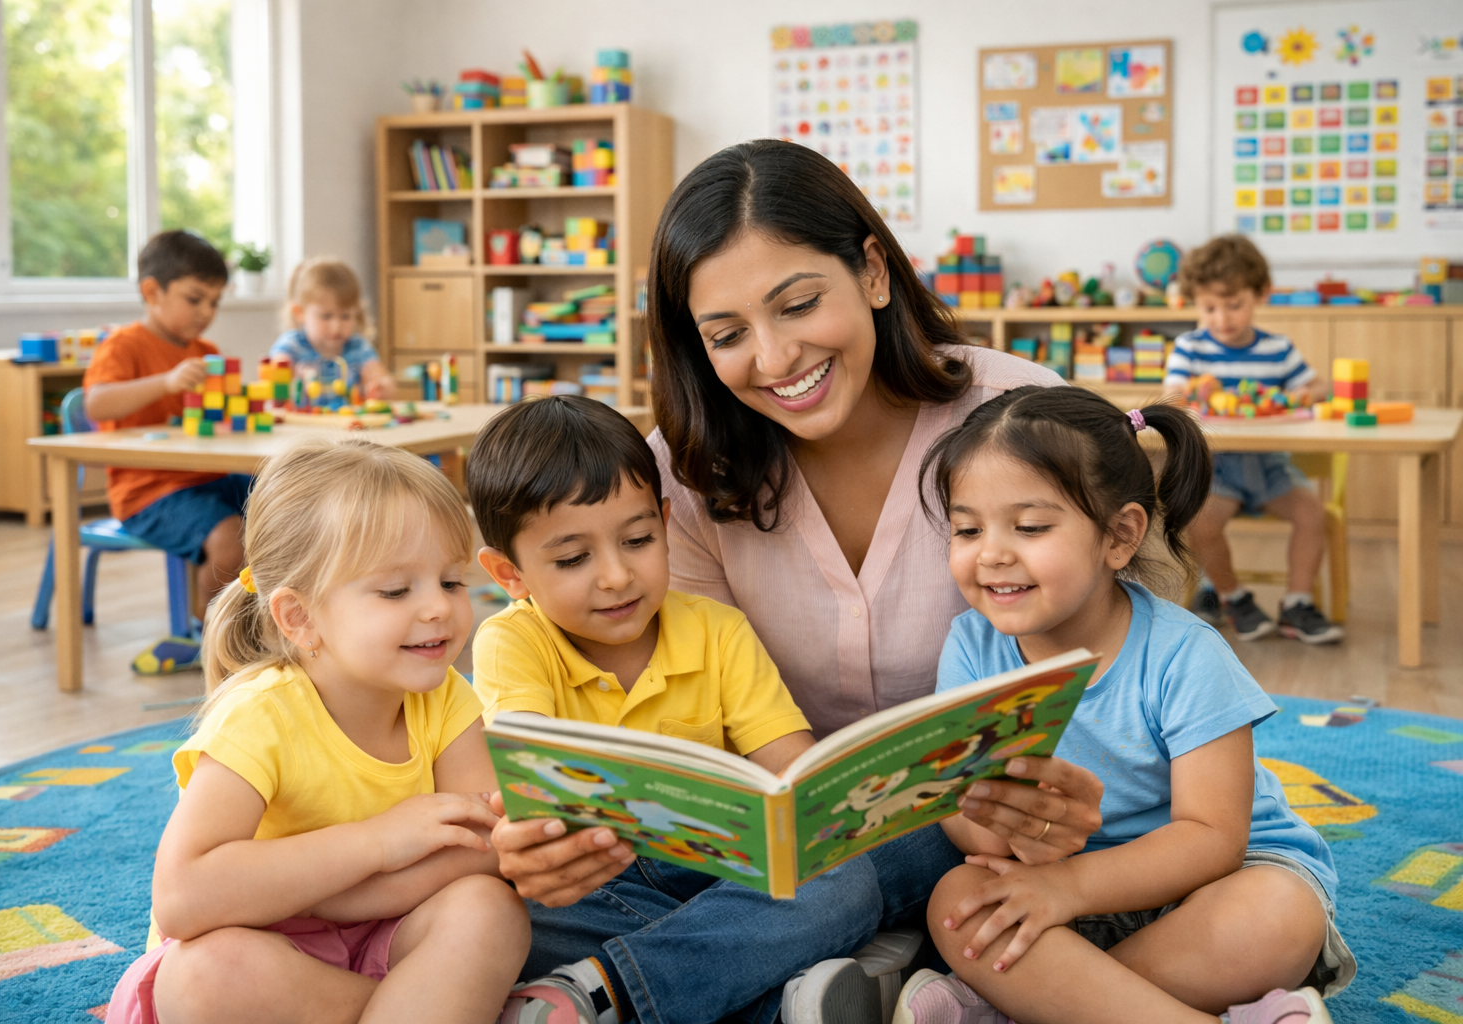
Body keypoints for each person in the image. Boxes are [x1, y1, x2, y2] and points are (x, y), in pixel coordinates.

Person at [485, 140, 1106, 1023]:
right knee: (491, 898)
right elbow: (690, 721)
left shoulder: (1022, 423)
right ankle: (809, 979)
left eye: (800, 304)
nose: (774, 359)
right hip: (763, 846)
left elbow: (1120, 655)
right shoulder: (677, 479)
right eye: (727, 335)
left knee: (899, 862)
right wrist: (546, 845)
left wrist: (1061, 788)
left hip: (961, 824)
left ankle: (626, 990)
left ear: (874, 273)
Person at [893, 386, 1354, 1024]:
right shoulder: (971, 649)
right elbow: (966, 820)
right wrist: (1005, 828)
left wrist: (1070, 886)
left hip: (1207, 887)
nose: (992, 552)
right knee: (958, 899)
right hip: (1052, 892)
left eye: (1029, 527)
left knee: (1276, 914)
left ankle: (1027, 1006)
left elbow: (1213, 837)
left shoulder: (1186, 654)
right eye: (967, 528)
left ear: (1119, 536)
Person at [467, 395, 880, 1024]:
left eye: (637, 540)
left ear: (664, 522)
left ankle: (604, 992)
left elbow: (797, 773)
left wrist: (814, 815)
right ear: (509, 573)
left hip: (722, 874)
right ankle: (770, 994)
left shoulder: (718, 629)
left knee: (850, 871)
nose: (615, 576)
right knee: (493, 913)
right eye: (573, 558)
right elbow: (535, 795)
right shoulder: (512, 639)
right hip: (598, 884)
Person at [105, 436, 529, 1024]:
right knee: (204, 976)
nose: (438, 608)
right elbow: (183, 899)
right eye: (396, 590)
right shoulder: (258, 716)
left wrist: (345, 897)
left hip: (386, 936)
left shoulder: (447, 698)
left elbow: (482, 851)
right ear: (300, 617)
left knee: (491, 909)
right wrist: (376, 844)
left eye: (452, 582)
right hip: (264, 950)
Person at [1165, 235, 1343, 646]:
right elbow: (1172, 396)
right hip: (1218, 469)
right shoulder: (1189, 348)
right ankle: (1233, 596)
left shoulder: (1277, 350)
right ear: (1195, 302)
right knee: (1200, 518)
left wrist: (1304, 394)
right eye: (1209, 307)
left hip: (1270, 467)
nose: (1222, 318)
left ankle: (1297, 603)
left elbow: (1317, 386)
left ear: (1260, 294)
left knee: (1312, 513)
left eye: (1234, 305)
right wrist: (1194, 393)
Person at [83, 230, 245, 671]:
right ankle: (206, 634)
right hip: (147, 491)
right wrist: (166, 381)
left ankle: (259, 623)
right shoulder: (124, 345)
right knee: (231, 537)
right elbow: (96, 402)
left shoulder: (205, 352)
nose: (207, 313)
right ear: (152, 292)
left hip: (210, 478)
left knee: (285, 504)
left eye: (214, 302)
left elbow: (220, 415)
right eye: (195, 299)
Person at [269, 256, 396, 401]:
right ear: (300, 312)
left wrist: (381, 388)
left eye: (346, 316)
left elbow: (385, 383)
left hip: (347, 422)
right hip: (302, 422)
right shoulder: (291, 345)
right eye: (326, 316)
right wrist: (288, 377)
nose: (336, 327)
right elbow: (272, 385)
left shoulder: (358, 348)